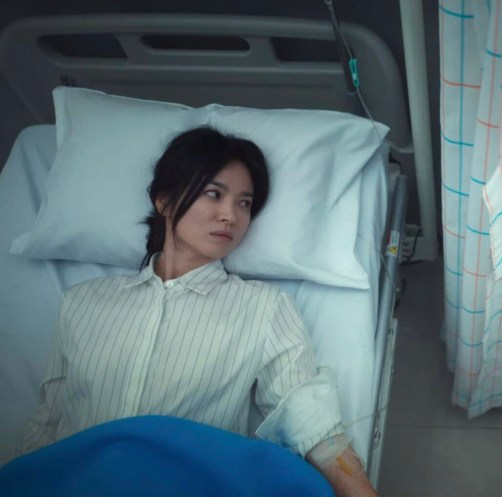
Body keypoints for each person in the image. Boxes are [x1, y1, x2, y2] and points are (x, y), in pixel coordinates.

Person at [15, 127, 378, 497]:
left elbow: (309, 420)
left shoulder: (264, 308)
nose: (230, 216)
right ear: (164, 201)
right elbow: (47, 425)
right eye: (214, 194)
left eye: (244, 203)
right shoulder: (82, 303)